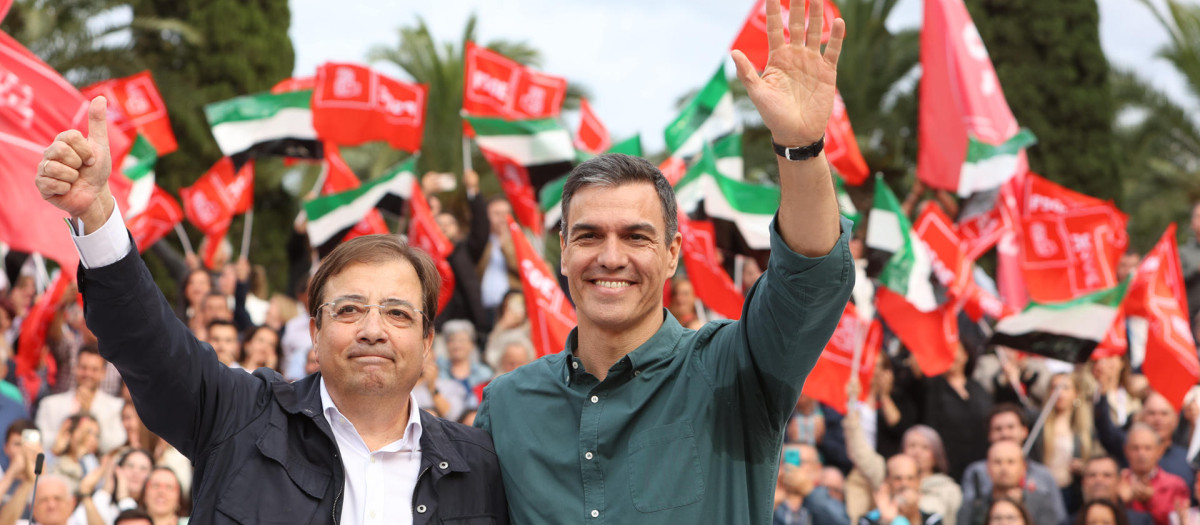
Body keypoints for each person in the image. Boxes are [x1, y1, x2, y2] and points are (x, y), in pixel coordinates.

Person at [33, 102, 508, 522]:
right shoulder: (237, 416)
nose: (372, 330)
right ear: (314, 333)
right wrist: (96, 214)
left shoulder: (482, 466)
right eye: (349, 309)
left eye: (398, 314)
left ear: (428, 342)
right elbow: (148, 342)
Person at [475, 0, 853, 521]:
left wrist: (801, 147)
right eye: (588, 236)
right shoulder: (506, 405)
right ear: (562, 250)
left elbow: (809, 273)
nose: (611, 258)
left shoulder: (738, 367)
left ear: (673, 254)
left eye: (636, 237)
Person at [36, 345, 126, 455]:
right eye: (83, 368)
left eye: (94, 369)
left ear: (103, 373)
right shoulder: (50, 404)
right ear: (75, 368)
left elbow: (115, 444)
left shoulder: (116, 407)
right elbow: (40, 440)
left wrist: (90, 412)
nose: (88, 373)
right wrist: (66, 436)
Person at [959, 440, 1066, 525]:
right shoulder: (974, 506)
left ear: (1023, 467)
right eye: (997, 462)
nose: (1004, 468)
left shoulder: (1041, 503)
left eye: (1011, 462)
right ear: (987, 468)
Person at [1120, 424, 1188, 525]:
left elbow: (1178, 521)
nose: (1141, 453)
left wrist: (1152, 500)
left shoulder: (1176, 485)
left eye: (1148, 448)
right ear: (1126, 451)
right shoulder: (1118, 482)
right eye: (1135, 448)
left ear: (1159, 451)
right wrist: (1120, 501)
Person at [860, 454, 945, 525]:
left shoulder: (933, 520)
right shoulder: (867, 520)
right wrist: (885, 521)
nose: (904, 484)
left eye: (910, 478)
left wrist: (914, 517)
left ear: (919, 482)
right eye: (898, 478)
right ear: (887, 480)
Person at [1070, 456, 1153, 525]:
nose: (1099, 480)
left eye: (1107, 475)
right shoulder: (1070, 522)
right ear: (1083, 482)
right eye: (1092, 475)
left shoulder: (1141, 522)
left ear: (1119, 481)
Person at [1178, 202, 1200, 330]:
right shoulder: (1182, 253)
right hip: (1188, 318)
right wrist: (1196, 270)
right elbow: (1176, 279)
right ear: (1192, 223)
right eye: (1198, 216)